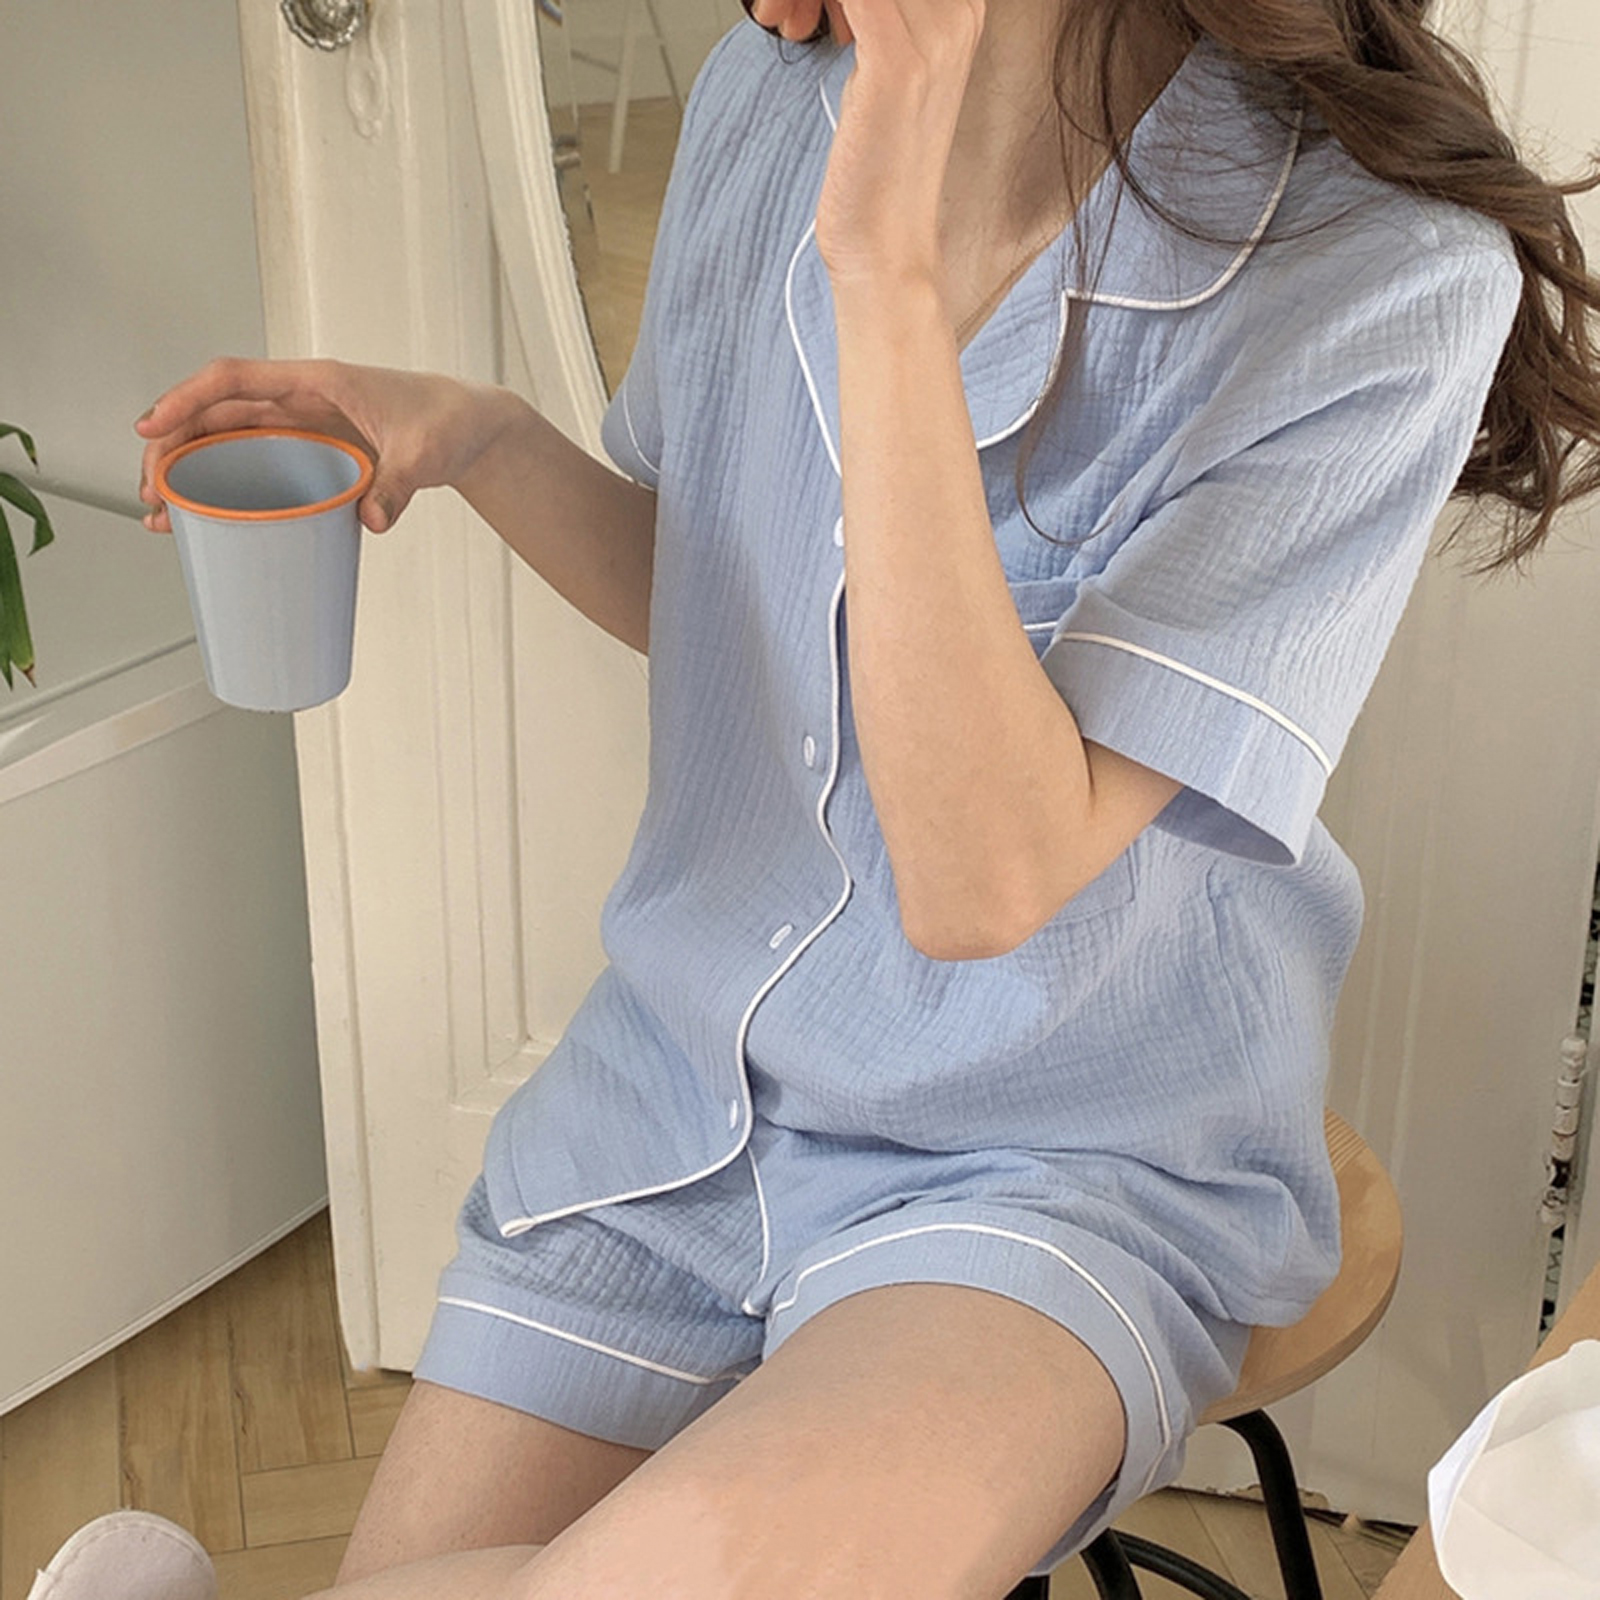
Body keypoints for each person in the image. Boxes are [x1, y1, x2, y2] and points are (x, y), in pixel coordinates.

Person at [36, 0, 1600, 1597]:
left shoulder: (1382, 276)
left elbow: (984, 876)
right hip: (687, 1092)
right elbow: (741, 599)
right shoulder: (766, 102)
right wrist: (485, 438)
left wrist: (888, 271)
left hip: (1056, 1152)